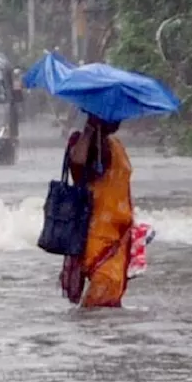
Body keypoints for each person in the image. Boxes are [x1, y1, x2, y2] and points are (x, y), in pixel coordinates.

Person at [59, 113, 135, 308]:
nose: (117, 121)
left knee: (110, 300)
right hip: (95, 235)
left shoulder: (116, 145)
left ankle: (98, 333)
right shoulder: (85, 144)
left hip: (119, 235)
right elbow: (77, 163)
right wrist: (89, 130)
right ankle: (90, 333)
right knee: (101, 293)